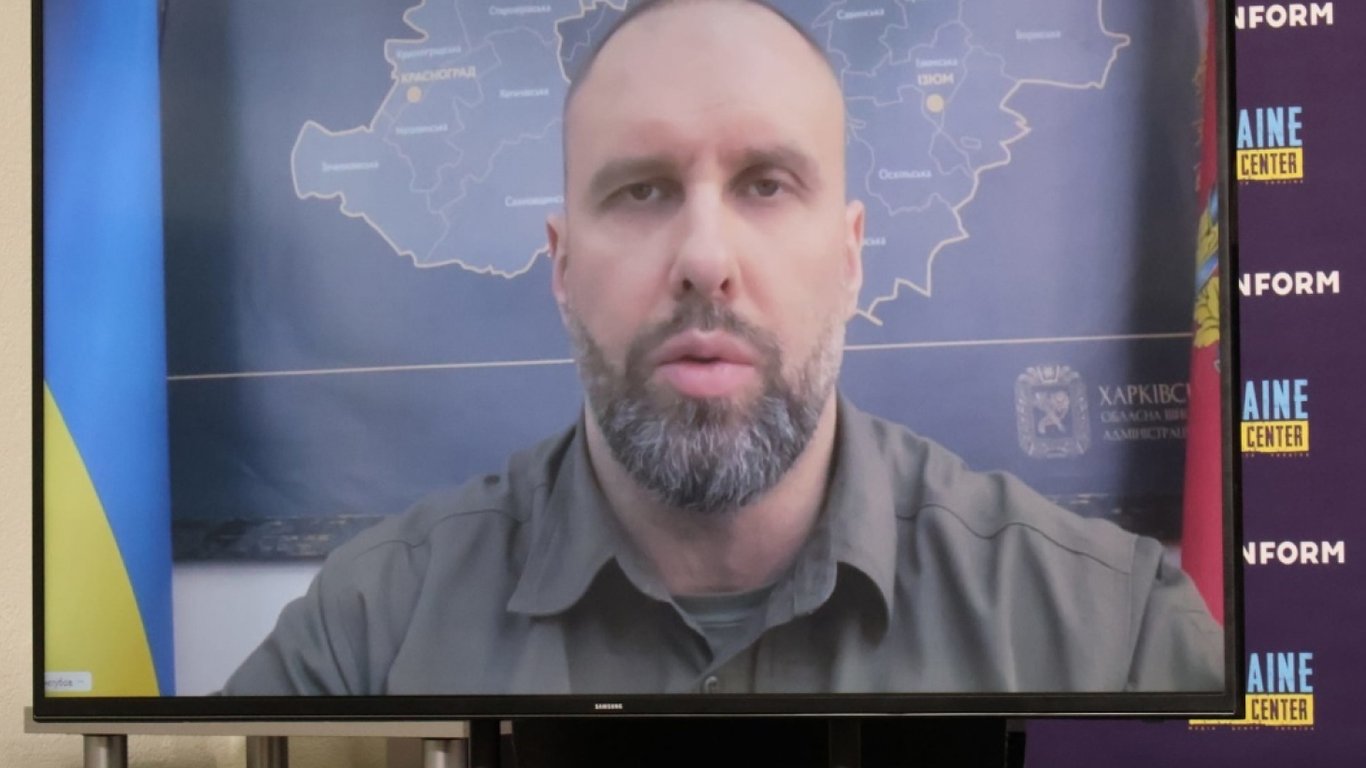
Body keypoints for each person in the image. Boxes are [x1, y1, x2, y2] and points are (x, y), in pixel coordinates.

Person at [223, 0, 1222, 696]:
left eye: (766, 185)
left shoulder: (1111, 637)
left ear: (851, 259)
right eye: (642, 189)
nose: (705, 259)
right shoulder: (370, 637)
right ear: (561, 266)